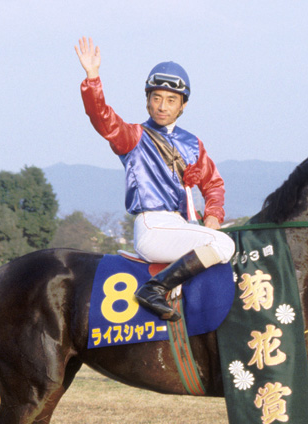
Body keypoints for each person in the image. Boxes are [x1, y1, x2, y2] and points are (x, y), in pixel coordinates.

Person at [75, 37, 235, 321]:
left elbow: (213, 184)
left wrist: (213, 215)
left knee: (225, 243)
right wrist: (92, 78)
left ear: (182, 105)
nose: (162, 106)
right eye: (156, 98)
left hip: (181, 225)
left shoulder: (193, 143)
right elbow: (101, 118)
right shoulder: (133, 136)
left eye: (171, 100)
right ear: (147, 101)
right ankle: (153, 289)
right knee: (225, 245)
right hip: (152, 226)